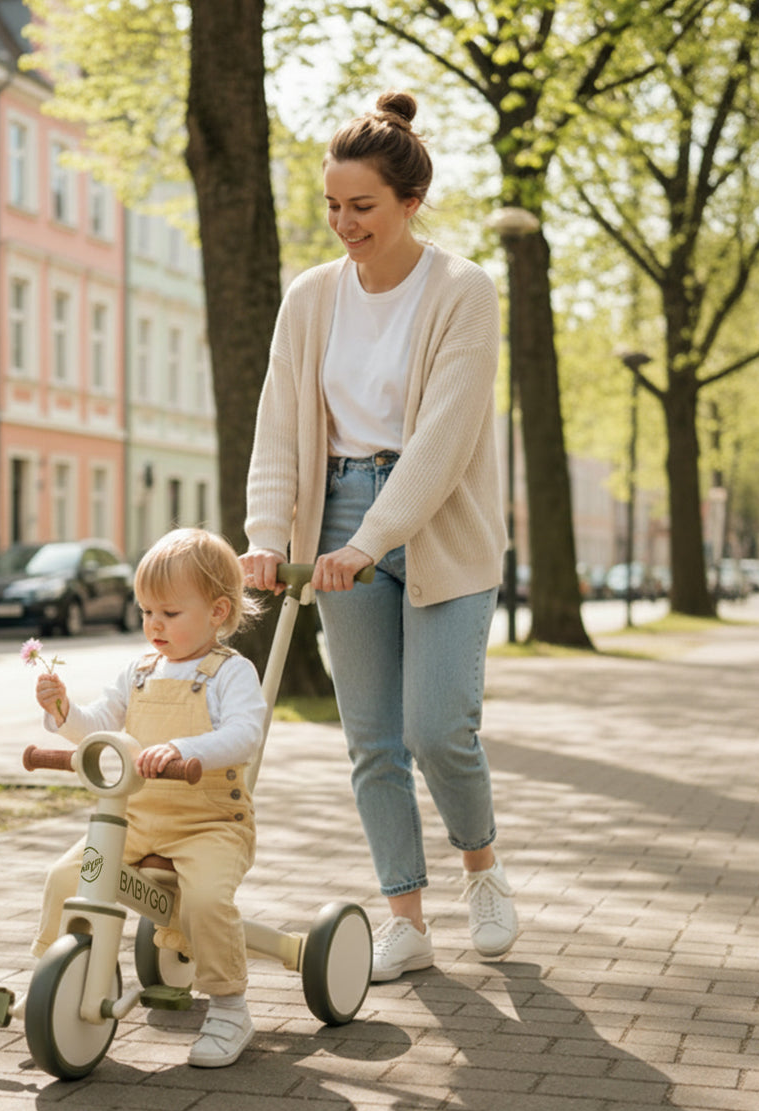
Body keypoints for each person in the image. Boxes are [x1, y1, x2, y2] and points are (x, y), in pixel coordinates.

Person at [241, 89, 519, 983]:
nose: (343, 224)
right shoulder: (309, 298)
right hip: (337, 518)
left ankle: (481, 867)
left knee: (438, 728)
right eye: (332, 205)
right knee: (372, 738)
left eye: (361, 206)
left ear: (409, 202)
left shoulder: (465, 291)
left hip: (441, 526)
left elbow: (443, 441)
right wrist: (263, 533)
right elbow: (280, 423)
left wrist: (372, 542)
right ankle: (406, 916)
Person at [30, 527, 267, 1068]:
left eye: (169, 613)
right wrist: (65, 712)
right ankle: (52, 978)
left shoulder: (230, 673)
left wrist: (182, 748)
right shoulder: (136, 672)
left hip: (210, 822)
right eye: (145, 612)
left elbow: (244, 735)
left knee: (205, 901)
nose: (153, 624)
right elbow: (98, 726)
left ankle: (229, 1005)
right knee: (67, 878)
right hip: (136, 819)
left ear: (216, 611)